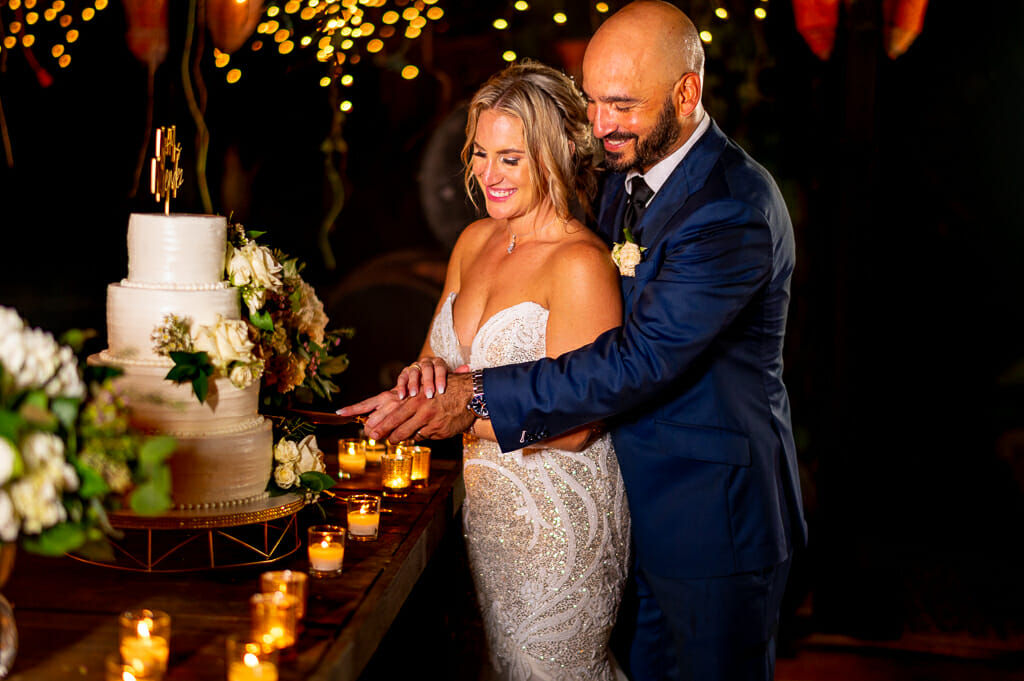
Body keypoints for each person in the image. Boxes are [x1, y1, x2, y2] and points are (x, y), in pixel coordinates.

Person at [341, 2, 807, 680]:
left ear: (686, 92)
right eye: (592, 101)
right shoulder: (626, 179)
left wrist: (473, 398)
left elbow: (639, 358)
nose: (600, 125)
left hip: (711, 518)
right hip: (629, 503)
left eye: (621, 104)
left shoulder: (732, 208)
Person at [351, 61, 631, 679]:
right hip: (484, 513)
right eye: (480, 153)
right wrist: (415, 386)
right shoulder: (474, 240)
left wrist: (446, 413)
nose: (486, 174)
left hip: (558, 519)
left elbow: (580, 424)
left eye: (511, 158)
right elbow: (436, 361)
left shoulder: (582, 263)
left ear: (555, 154)